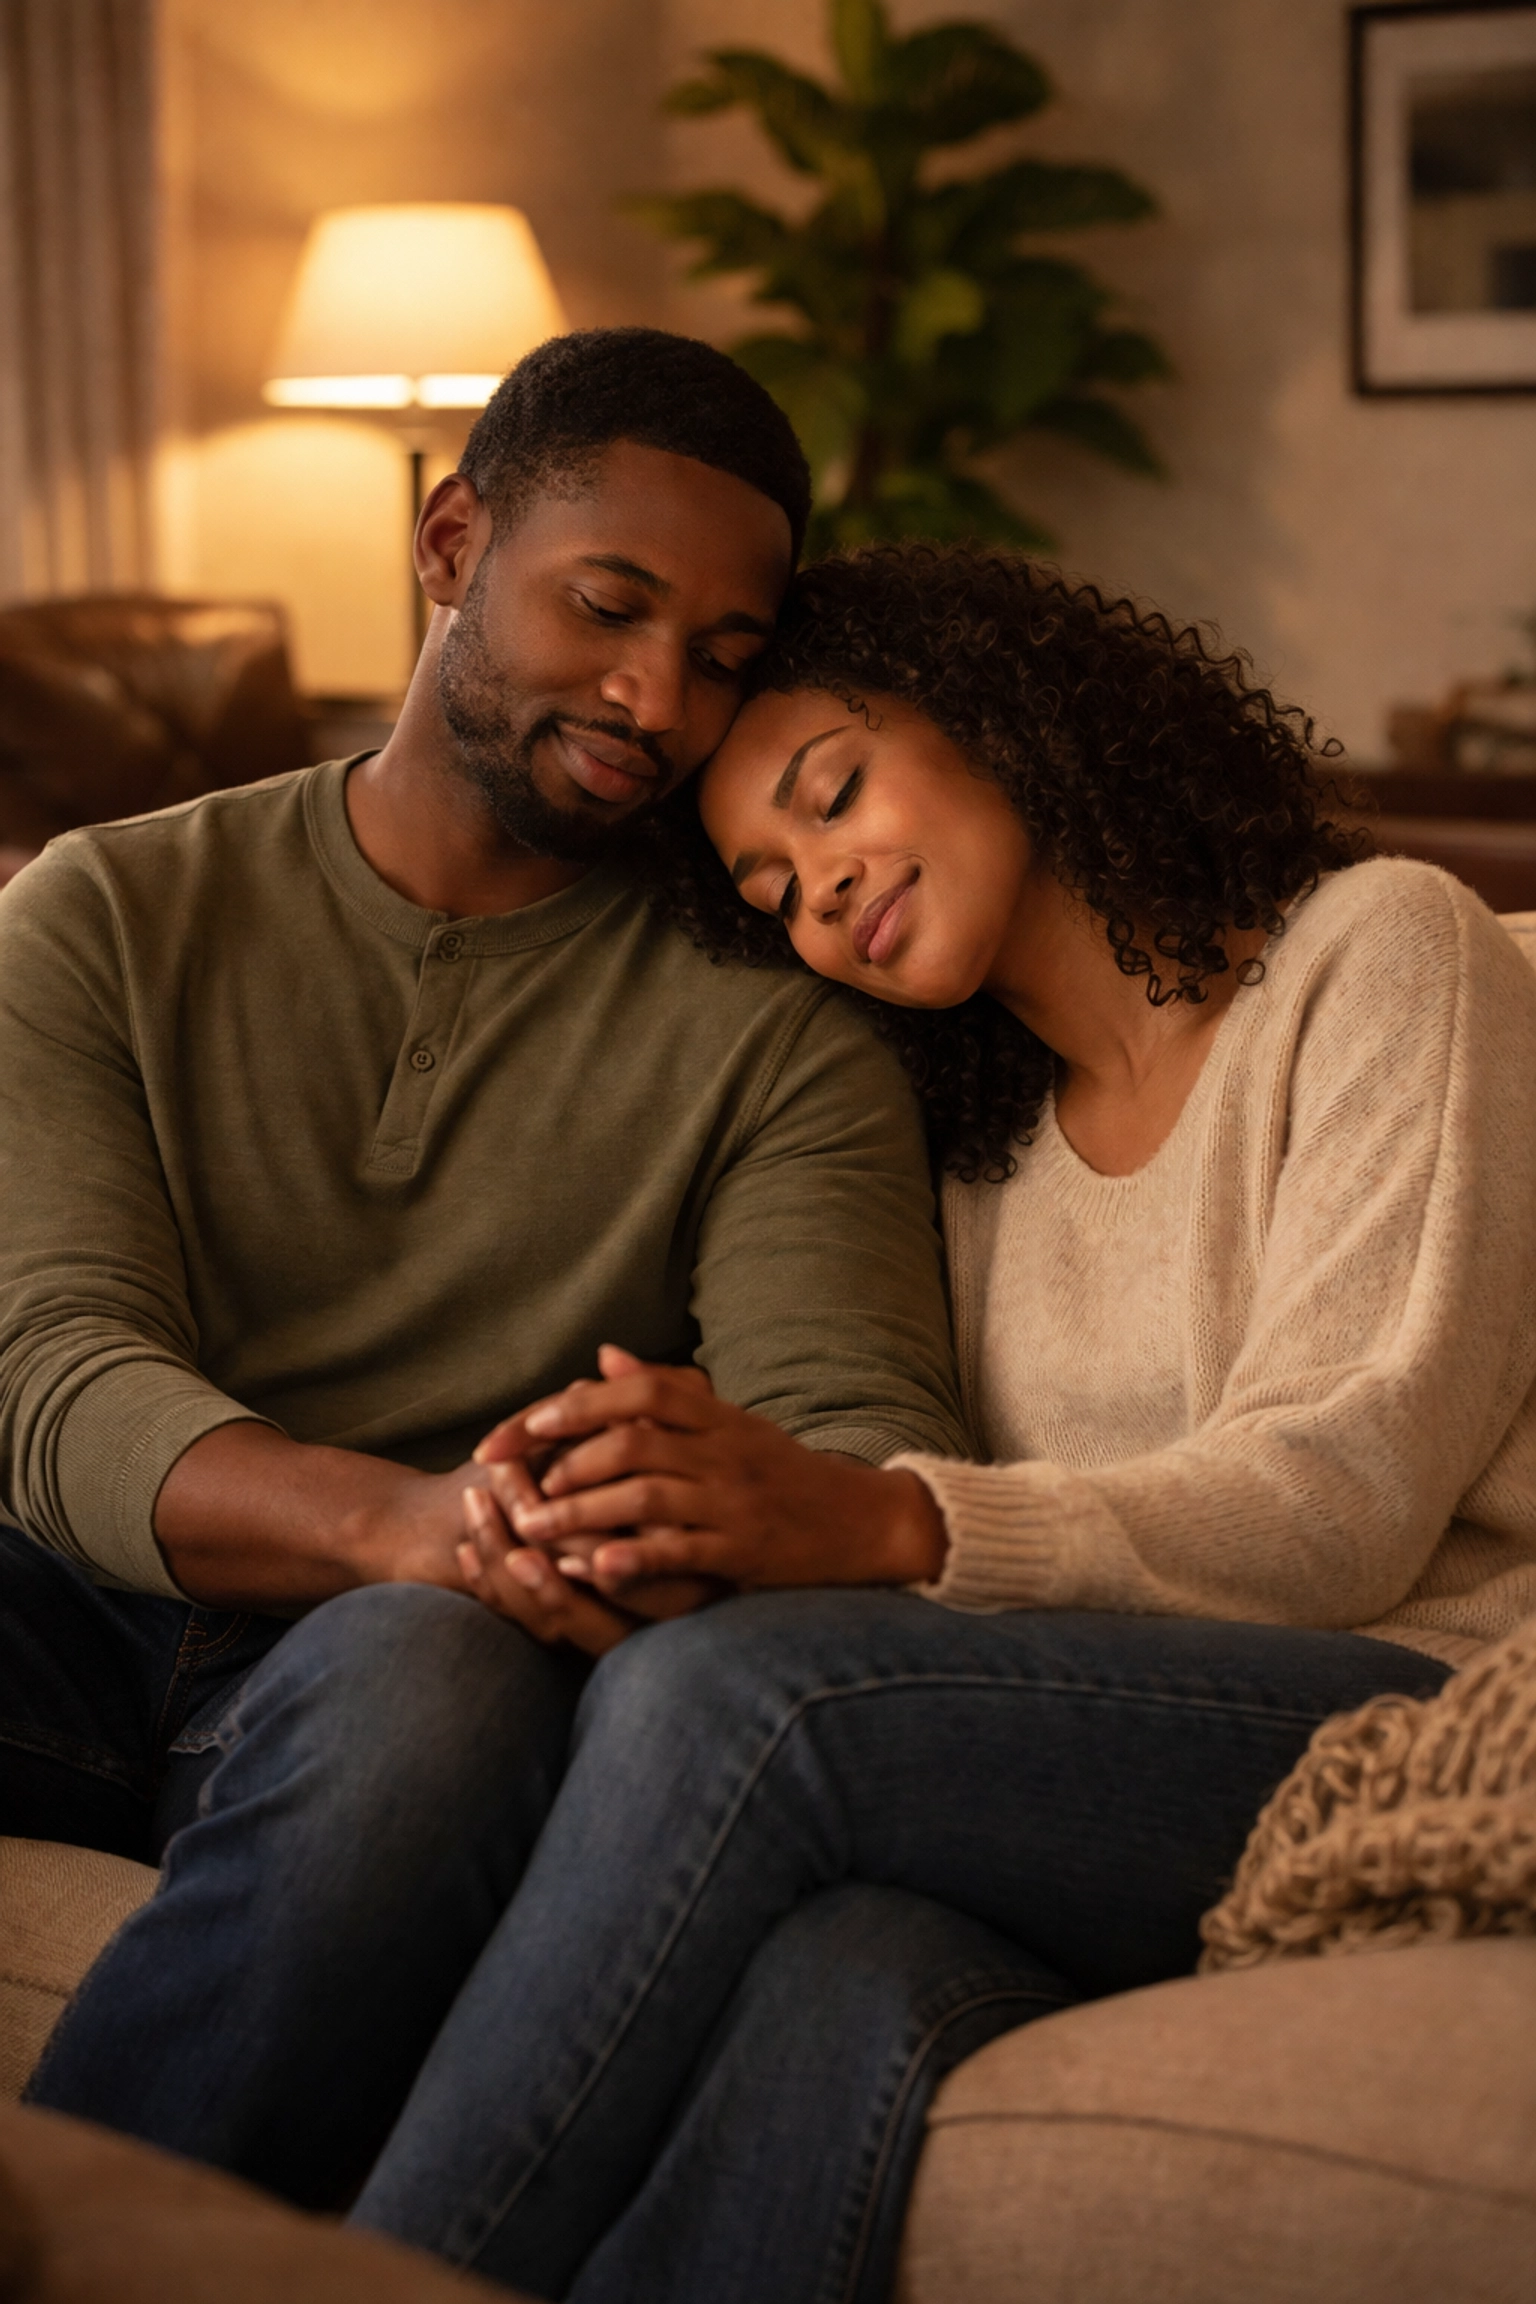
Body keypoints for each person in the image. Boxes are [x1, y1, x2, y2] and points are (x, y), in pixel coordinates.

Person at [348, 544, 1536, 2303]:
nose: (822, 887)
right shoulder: (982, 1152)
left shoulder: (1381, 954)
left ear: (996, 712)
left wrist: (890, 1522)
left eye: (833, 797)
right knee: (848, 1968)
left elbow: (1343, 1496)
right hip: (1128, 1738)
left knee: (742, 1704)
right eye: (770, 891)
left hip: (1431, 1708)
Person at [9, 349, 971, 2198]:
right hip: (68, 1600)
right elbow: (51, 1371)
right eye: (609, 608)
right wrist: (403, 1518)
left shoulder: (783, 1029)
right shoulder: (104, 910)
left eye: (721, 655)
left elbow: (853, 1444)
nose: (655, 699)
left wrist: (652, 1519)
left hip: (410, 1662)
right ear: (453, 543)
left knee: (426, 1688)